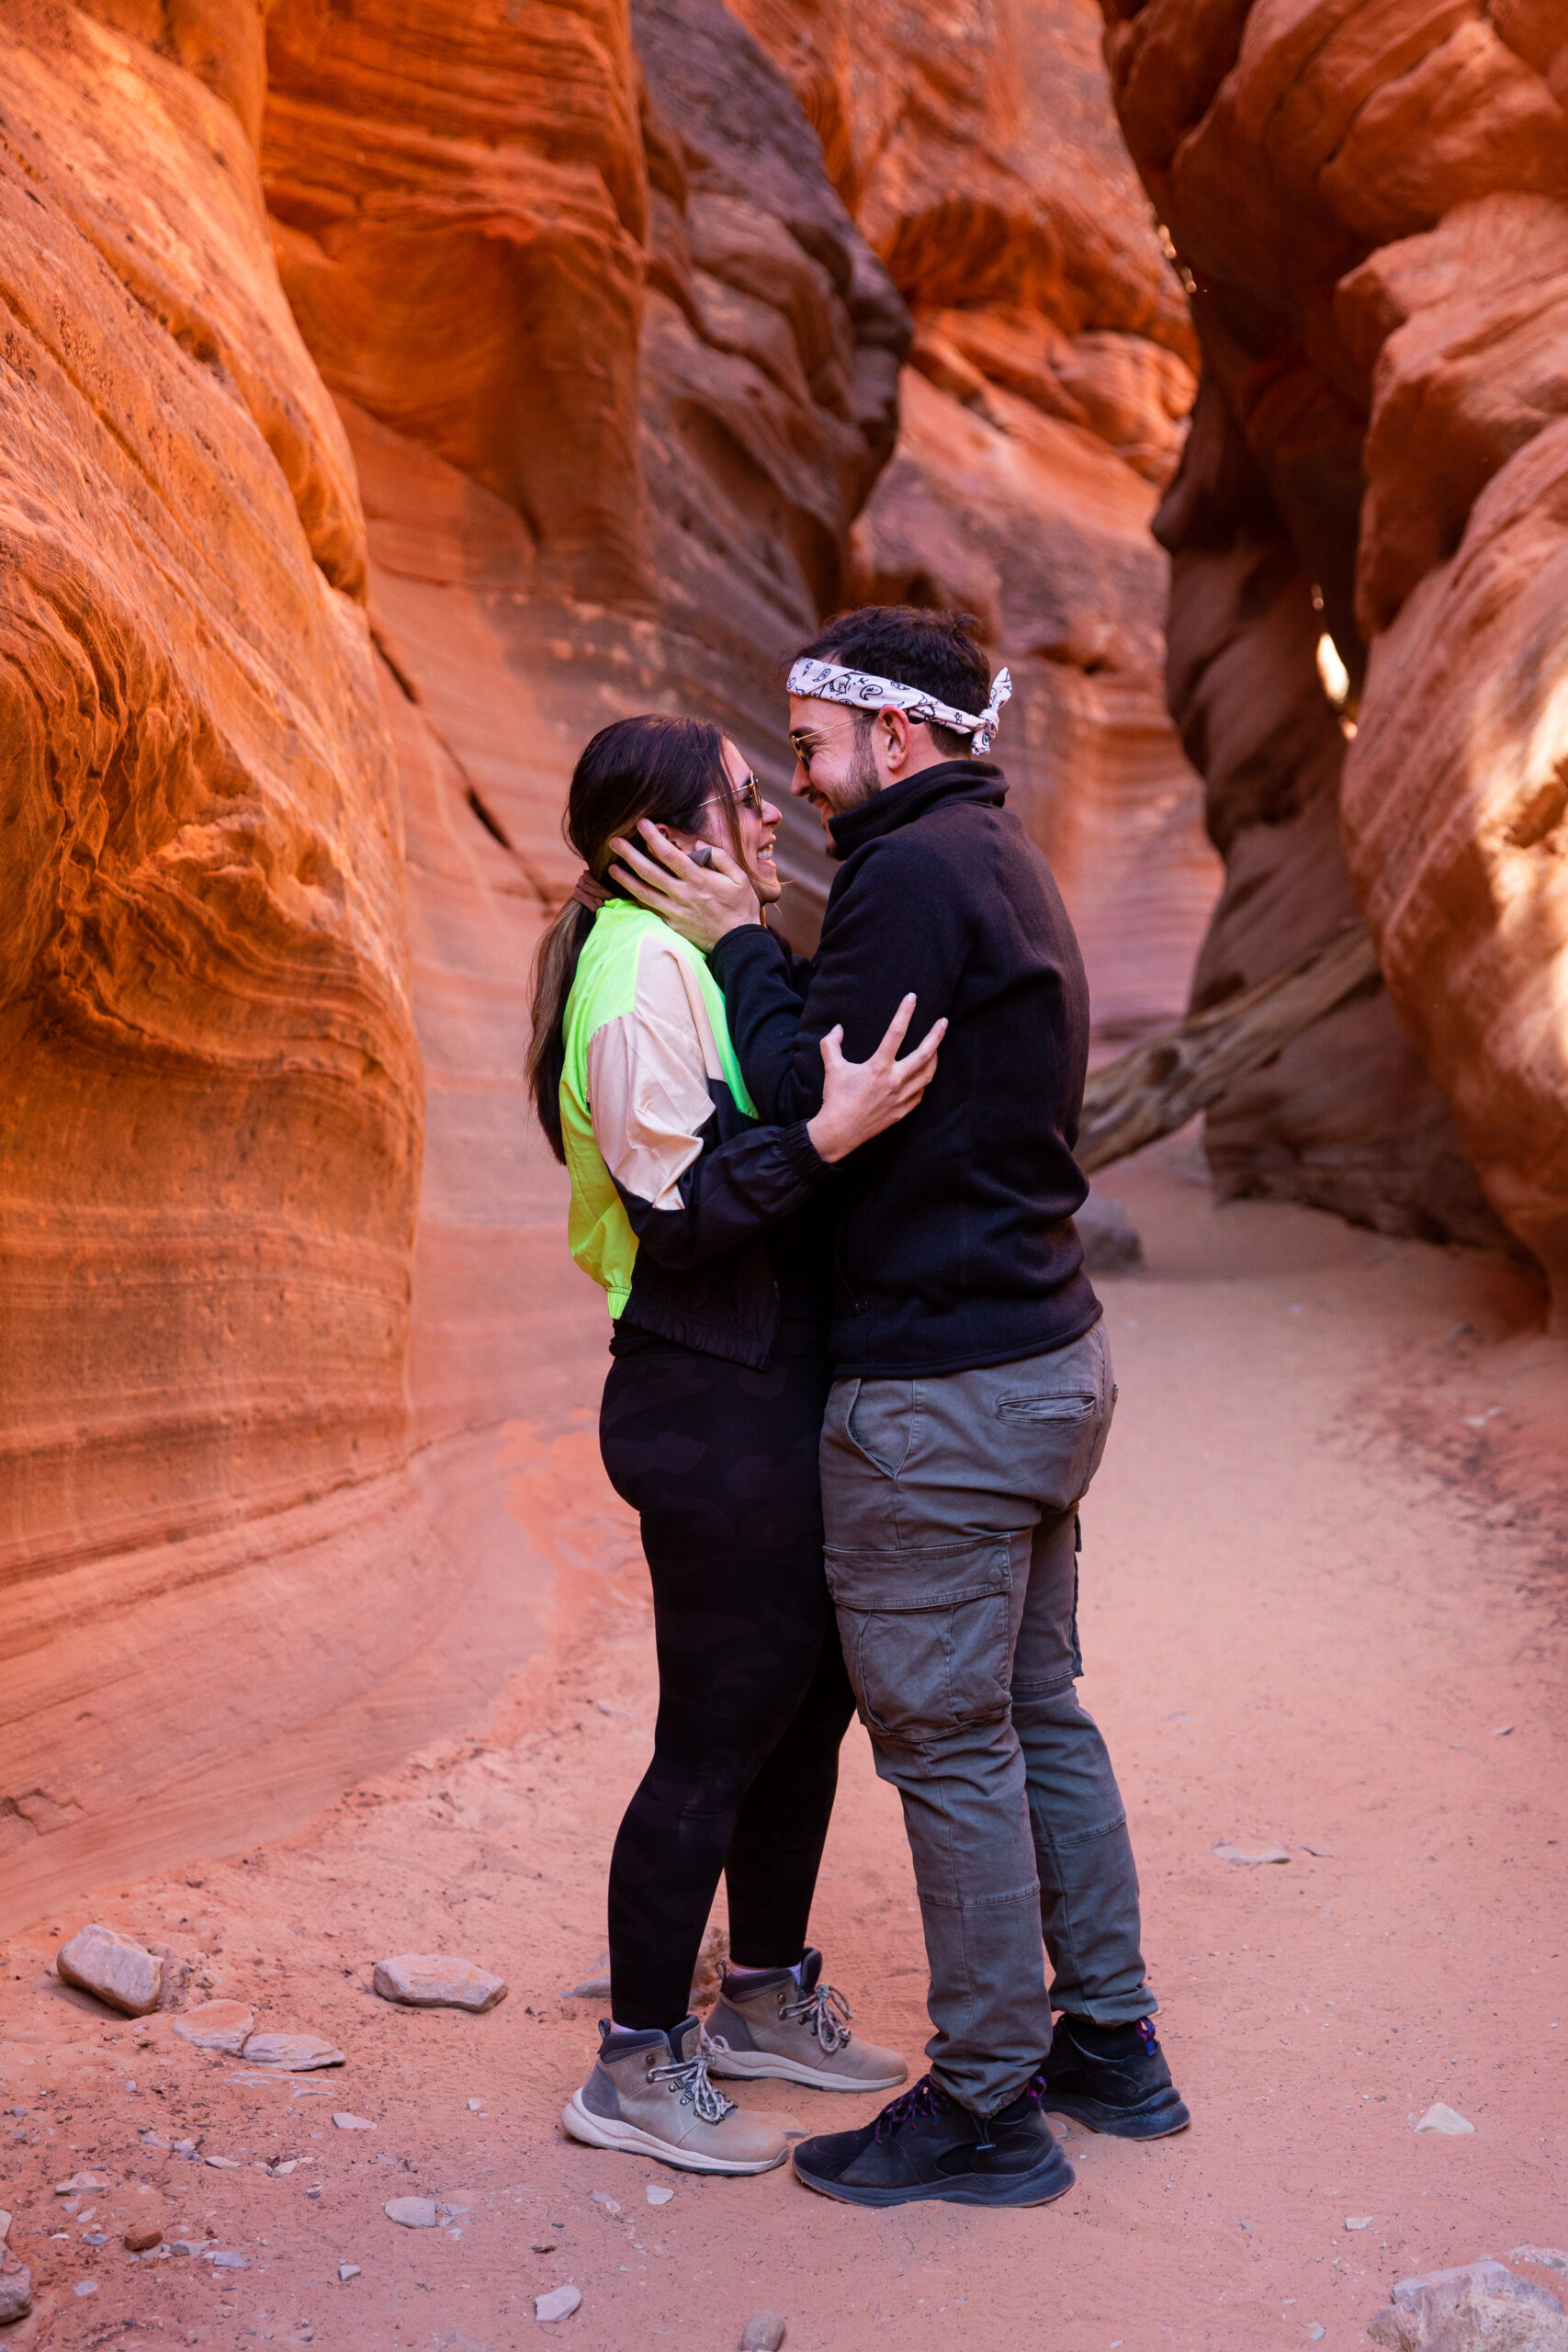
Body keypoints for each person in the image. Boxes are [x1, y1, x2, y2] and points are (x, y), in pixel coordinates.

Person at [608, 608, 1190, 2211]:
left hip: (942, 1396)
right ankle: (1110, 2047)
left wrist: (739, 938)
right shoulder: (995, 859)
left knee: (949, 1743)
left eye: (809, 744)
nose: (794, 781)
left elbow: (816, 1102)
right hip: (1046, 1362)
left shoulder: (911, 877)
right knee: (1036, 1712)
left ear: (898, 736)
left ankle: (991, 2107)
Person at [527, 712, 941, 2177]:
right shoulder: (637, 973)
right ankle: (635, 2064)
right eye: (743, 802)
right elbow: (682, 1216)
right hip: (706, 1396)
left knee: (802, 1699)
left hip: (761, 1388)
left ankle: (762, 1992)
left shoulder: (693, 956)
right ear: (669, 834)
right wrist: (832, 1139)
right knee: (714, 1729)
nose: (771, 822)